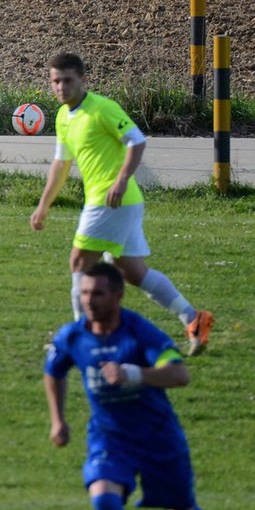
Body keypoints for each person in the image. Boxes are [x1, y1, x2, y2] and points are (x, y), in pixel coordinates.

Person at [44, 261, 232, 510]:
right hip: (110, 438)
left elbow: (180, 374)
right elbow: (53, 371)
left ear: (118, 295)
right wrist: (58, 420)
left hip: (157, 437)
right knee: (102, 498)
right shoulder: (72, 335)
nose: (89, 301)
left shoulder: (140, 334)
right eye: (84, 293)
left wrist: (134, 374)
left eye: (97, 293)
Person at [29, 52, 214, 352]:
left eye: (67, 80)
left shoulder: (102, 108)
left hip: (110, 200)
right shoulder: (64, 117)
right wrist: (43, 204)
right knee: (132, 272)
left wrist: (121, 179)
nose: (61, 87)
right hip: (119, 203)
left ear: (83, 79)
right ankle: (194, 318)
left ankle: (82, 339)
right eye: (55, 81)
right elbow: (61, 165)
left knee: (79, 262)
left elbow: (136, 140)